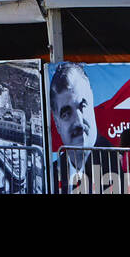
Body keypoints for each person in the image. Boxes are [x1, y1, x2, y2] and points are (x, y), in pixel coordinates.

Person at [50, 63, 115, 193]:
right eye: (66, 113)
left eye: (83, 106)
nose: (78, 122)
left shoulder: (118, 167)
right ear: (57, 124)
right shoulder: (50, 177)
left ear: (92, 104)